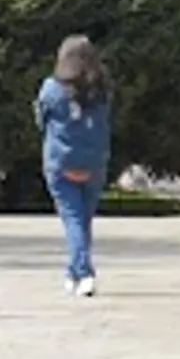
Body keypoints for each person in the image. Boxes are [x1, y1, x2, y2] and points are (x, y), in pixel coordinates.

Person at [35, 34, 113, 296]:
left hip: (61, 161)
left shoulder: (51, 88)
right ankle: (73, 271)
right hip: (94, 161)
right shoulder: (101, 90)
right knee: (82, 220)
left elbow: (41, 119)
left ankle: (84, 272)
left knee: (72, 218)